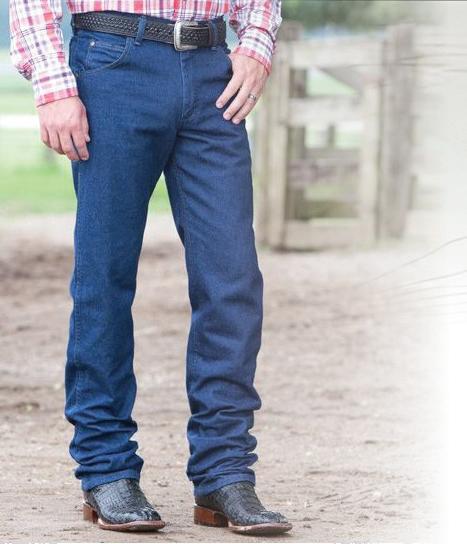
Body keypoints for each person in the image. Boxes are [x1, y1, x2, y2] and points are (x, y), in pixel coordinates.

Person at [9, 0, 292, 535]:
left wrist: (256, 44)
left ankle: (224, 473)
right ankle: (107, 468)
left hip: (212, 72)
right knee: (106, 277)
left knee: (232, 280)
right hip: (113, 64)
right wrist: (53, 83)